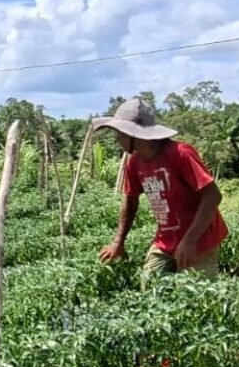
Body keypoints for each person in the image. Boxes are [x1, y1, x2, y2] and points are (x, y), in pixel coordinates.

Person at [93, 97, 228, 281]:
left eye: (120, 133)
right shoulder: (134, 163)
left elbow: (213, 196)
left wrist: (189, 241)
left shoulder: (180, 154)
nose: (117, 138)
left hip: (199, 240)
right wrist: (118, 242)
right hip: (166, 240)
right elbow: (130, 201)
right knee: (149, 283)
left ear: (135, 134)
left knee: (195, 298)